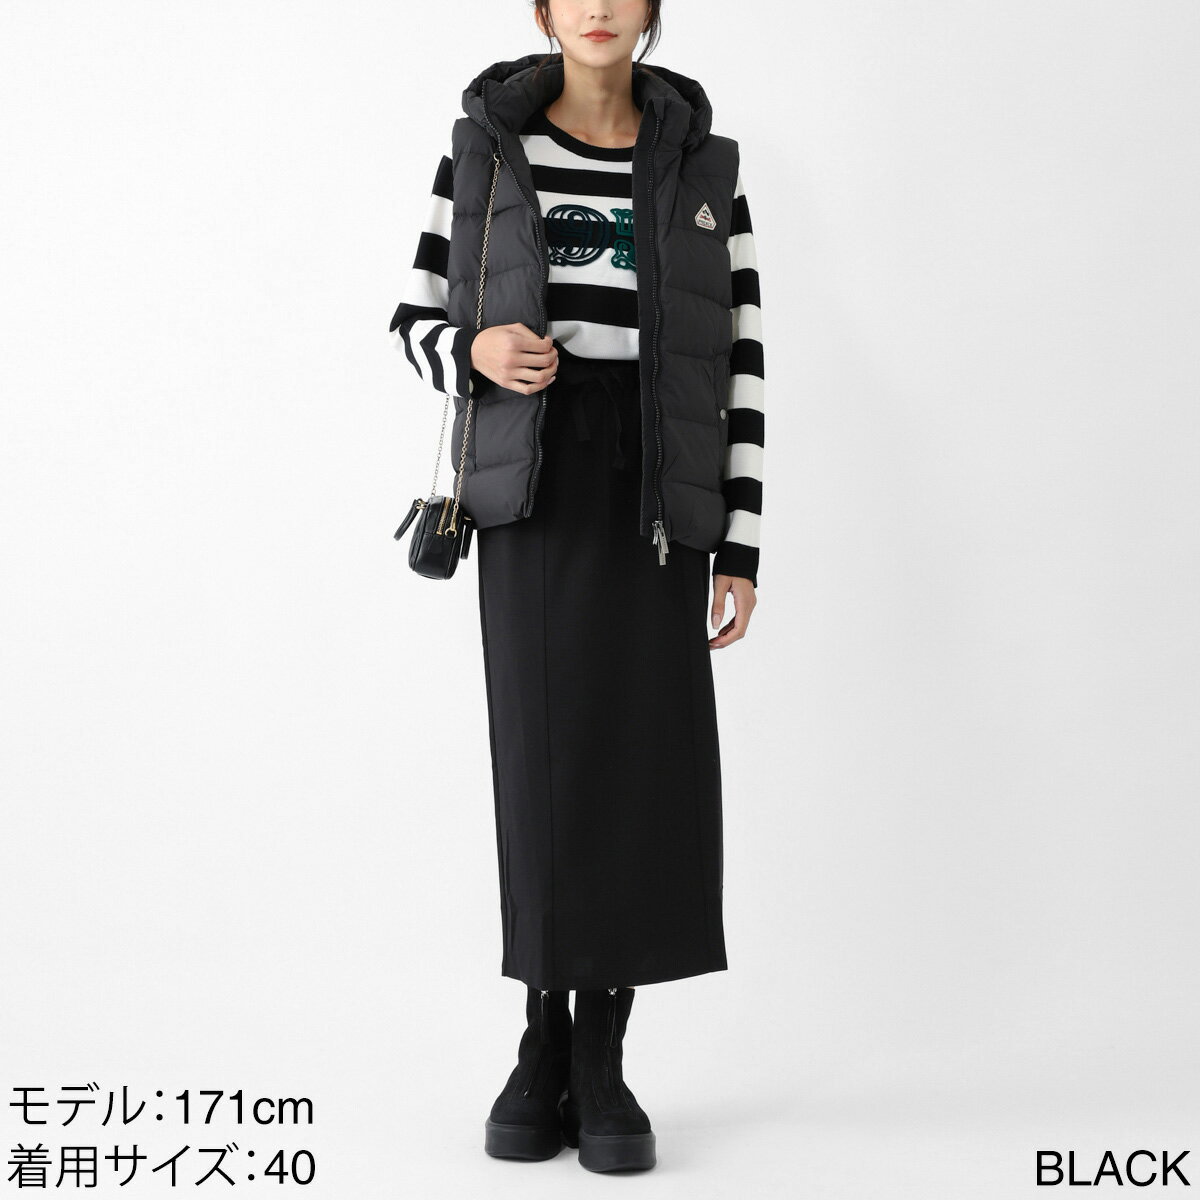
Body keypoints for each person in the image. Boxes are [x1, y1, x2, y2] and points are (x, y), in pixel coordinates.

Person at [388, 0, 764, 1174]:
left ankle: (602, 1050)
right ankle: (540, 1036)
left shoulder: (705, 170)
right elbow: (413, 316)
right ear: (545, 10)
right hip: (536, 483)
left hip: (656, 492)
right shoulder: (484, 152)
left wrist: (740, 545)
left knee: (639, 766)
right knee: (546, 761)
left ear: (652, 10)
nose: (599, 7)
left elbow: (741, 363)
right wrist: (475, 351)